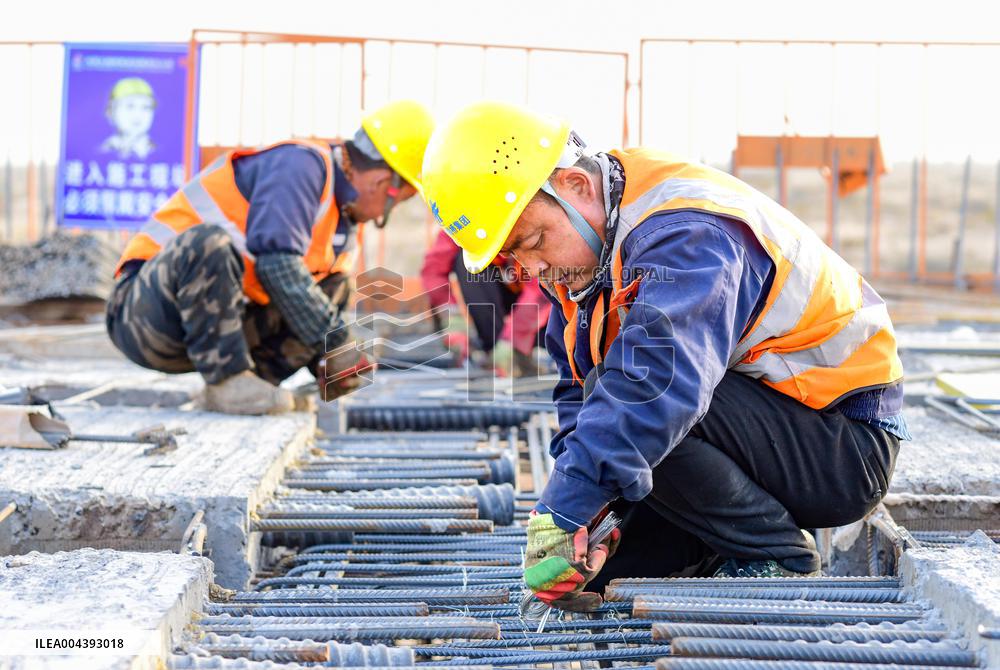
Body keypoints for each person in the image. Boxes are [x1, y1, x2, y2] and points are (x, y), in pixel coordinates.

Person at [421, 101, 908, 611]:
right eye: (517, 258)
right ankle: (714, 548)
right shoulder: (590, 255)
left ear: (575, 186)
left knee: (632, 396)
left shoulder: (686, 232)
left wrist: (564, 507)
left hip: (842, 446)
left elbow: (656, 387)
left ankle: (774, 554)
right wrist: (590, 516)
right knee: (605, 577)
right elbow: (578, 389)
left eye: (537, 240)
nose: (536, 269)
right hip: (759, 433)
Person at [106, 100, 434, 414]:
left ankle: (252, 384)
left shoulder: (342, 226)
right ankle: (228, 382)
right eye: (396, 205)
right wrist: (337, 340)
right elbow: (276, 264)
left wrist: (333, 363)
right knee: (211, 244)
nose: (381, 217)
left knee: (333, 287)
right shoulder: (302, 165)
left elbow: (310, 303)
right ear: (382, 183)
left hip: (216, 330)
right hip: (144, 317)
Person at [420, 228, 550, 376]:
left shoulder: (530, 222)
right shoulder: (466, 222)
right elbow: (433, 271)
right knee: (466, 260)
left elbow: (539, 292)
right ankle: (494, 351)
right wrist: (453, 320)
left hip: (545, 313)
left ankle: (513, 352)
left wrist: (514, 339)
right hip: (506, 294)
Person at [100, 77, 156, 160]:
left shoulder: (154, 150)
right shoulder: (105, 148)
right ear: (111, 111)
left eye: (146, 107)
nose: (138, 115)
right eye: (130, 106)